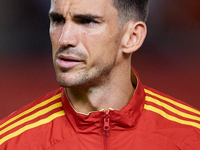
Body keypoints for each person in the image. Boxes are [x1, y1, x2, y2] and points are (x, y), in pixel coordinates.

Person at [0, 0, 200, 149]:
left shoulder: (192, 137)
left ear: (132, 37)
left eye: (87, 21)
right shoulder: (10, 141)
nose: (64, 38)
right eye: (57, 20)